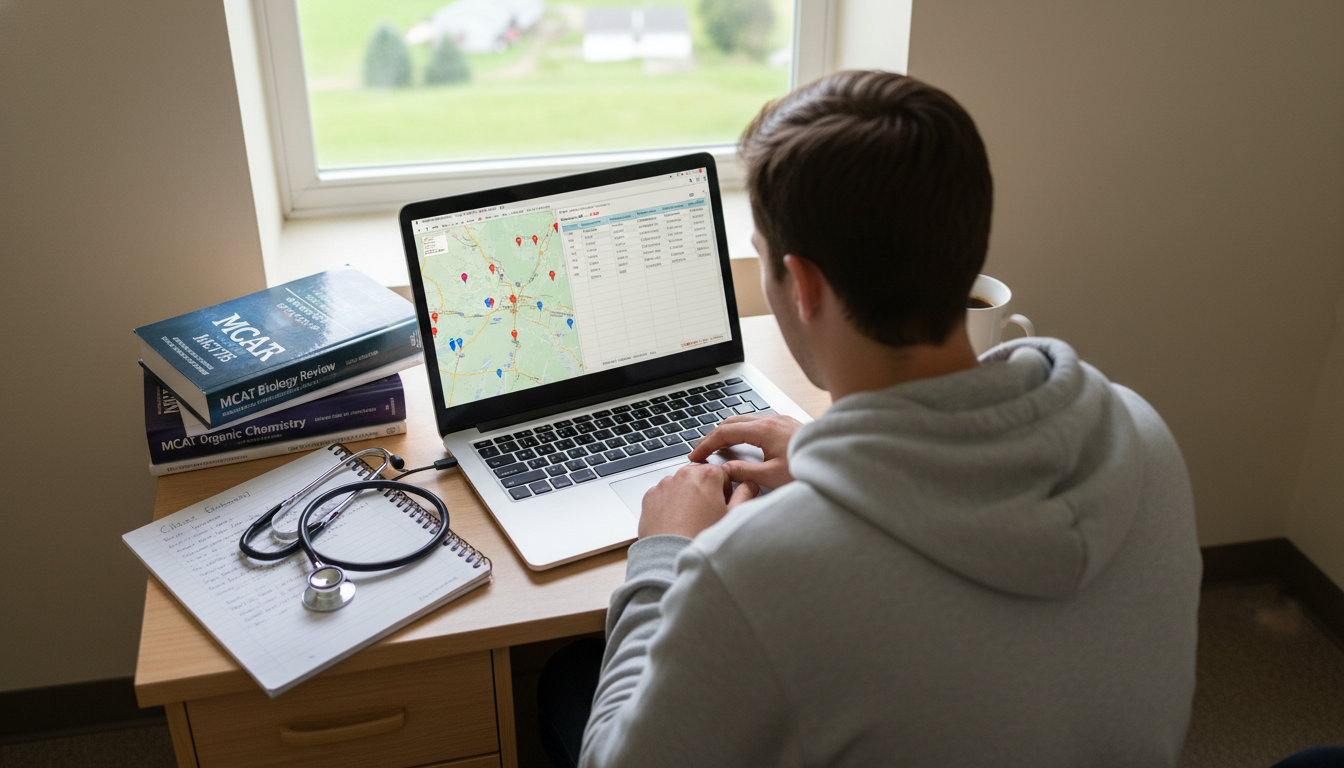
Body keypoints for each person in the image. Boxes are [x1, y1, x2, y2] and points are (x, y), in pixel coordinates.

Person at [547, 70, 1201, 768]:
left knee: (566, 684)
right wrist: (840, 465)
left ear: (802, 286)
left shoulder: (753, 575)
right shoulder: (1140, 434)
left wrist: (662, 555)